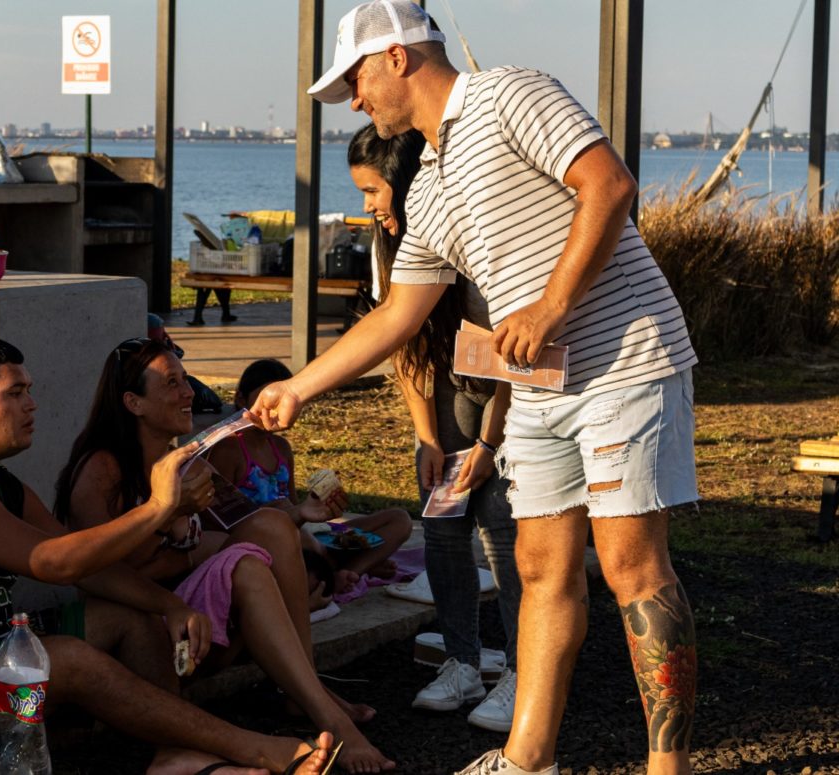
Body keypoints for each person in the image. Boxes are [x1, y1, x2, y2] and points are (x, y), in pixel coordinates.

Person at [252, 2, 701, 774]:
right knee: (536, 563)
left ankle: (670, 767)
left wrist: (552, 304)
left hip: (626, 357)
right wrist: (303, 386)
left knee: (630, 563)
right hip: (537, 387)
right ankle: (528, 758)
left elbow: (609, 185)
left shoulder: (512, 94)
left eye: (355, 79)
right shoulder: (425, 183)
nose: (353, 100)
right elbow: (400, 313)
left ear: (397, 56)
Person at [0, 335, 340, 775]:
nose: (32, 405)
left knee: (134, 616)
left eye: (30, 390)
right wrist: (160, 508)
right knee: (66, 661)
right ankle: (253, 748)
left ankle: (174, 755)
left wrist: (167, 604)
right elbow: (53, 562)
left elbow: (86, 568)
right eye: (15, 394)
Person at [55, 337, 397, 773]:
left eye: (186, 380)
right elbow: (98, 570)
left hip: (199, 630)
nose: (189, 393)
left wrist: (300, 513)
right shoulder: (102, 469)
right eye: (173, 384)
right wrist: (167, 516)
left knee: (269, 531)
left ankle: (305, 690)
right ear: (133, 403)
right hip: (147, 641)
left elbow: (246, 525)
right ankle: (323, 712)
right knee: (249, 568)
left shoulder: (189, 462)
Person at [348, 123, 523, 733]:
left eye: (373, 191)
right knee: (442, 521)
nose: (367, 206)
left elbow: (514, 360)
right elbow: (403, 345)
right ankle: (463, 662)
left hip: (507, 385)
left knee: (502, 527)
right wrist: (427, 436)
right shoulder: (386, 243)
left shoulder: (469, 235)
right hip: (445, 384)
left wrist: (487, 445)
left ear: (404, 181)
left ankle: (525, 673)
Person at [208, 357, 412, 597]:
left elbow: (295, 507)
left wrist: (319, 507)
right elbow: (219, 523)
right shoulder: (228, 450)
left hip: (303, 538)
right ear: (241, 399)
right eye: (264, 400)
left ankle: (348, 571)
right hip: (264, 547)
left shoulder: (281, 447)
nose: (272, 411)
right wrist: (289, 515)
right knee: (297, 541)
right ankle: (341, 572)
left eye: (279, 402)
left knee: (399, 519)